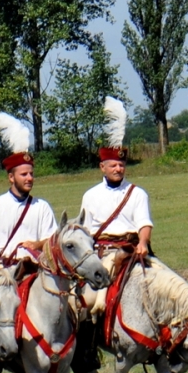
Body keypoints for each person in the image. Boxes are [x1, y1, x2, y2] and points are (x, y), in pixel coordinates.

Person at [79, 97, 154, 313]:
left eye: (121, 165)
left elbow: (144, 223)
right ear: (102, 167)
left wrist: (143, 243)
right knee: (88, 303)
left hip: (132, 251)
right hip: (101, 253)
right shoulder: (90, 195)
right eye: (113, 165)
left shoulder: (138, 193)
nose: (118, 169)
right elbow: (85, 231)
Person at [0, 112, 58, 268]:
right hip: (0, 273)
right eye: (24, 174)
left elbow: (53, 242)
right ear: (11, 177)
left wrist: (37, 245)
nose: (29, 178)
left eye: (31, 174)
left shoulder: (42, 207)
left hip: (32, 272)